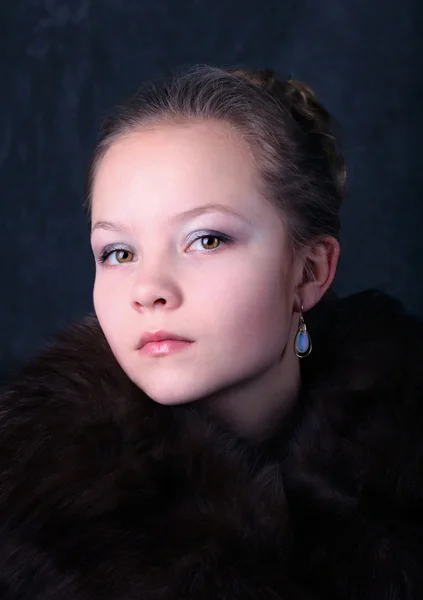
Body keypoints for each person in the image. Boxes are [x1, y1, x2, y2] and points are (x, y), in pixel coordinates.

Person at [1, 64, 422, 600]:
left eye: (205, 240)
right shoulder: (31, 526)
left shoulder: (399, 482)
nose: (147, 288)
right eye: (118, 252)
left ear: (310, 271)